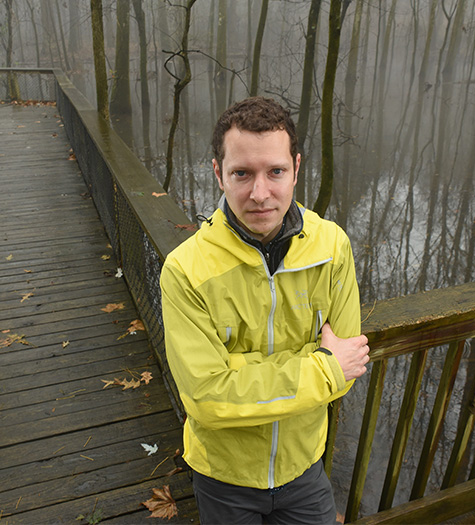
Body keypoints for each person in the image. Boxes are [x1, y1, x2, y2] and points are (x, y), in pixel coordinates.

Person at [160, 96, 370, 524]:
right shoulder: (185, 271)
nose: (260, 194)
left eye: (275, 172)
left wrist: (240, 370)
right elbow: (207, 398)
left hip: (303, 465)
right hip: (224, 475)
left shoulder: (332, 248)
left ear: (296, 168)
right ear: (219, 174)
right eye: (242, 173)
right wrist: (322, 367)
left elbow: (350, 367)